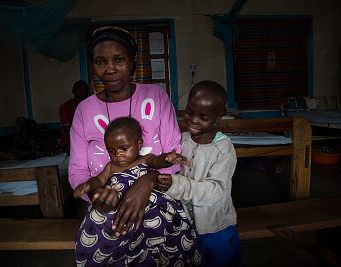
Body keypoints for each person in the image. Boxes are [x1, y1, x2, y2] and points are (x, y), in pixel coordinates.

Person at [68, 26, 193, 264]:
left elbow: (173, 152)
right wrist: (98, 195)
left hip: (157, 194)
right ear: (93, 66)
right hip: (107, 201)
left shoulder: (156, 96)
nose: (110, 68)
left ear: (132, 62)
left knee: (166, 247)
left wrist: (148, 181)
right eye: (100, 61)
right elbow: (77, 170)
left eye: (118, 59)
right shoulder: (84, 110)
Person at [73, 117, 200, 266]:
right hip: (120, 203)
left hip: (149, 202)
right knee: (100, 220)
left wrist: (168, 158)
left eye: (124, 148)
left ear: (139, 144)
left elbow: (157, 161)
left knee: (165, 222)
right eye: (111, 151)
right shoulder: (110, 167)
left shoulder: (145, 159)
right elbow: (99, 180)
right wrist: (88, 185)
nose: (118, 155)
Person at [158, 80, 243, 267]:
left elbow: (216, 192)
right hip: (186, 227)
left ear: (219, 117)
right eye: (189, 112)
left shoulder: (223, 149)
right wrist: (169, 159)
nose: (193, 120)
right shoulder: (183, 139)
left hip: (215, 228)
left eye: (203, 117)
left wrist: (177, 185)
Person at [59, 80, 89, 153]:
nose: (81, 90)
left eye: (84, 88)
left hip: (88, 140)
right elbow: (68, 129)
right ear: (73, 91)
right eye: (79, 88)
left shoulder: (90, 106)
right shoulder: (65, 107)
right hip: (70, 143)